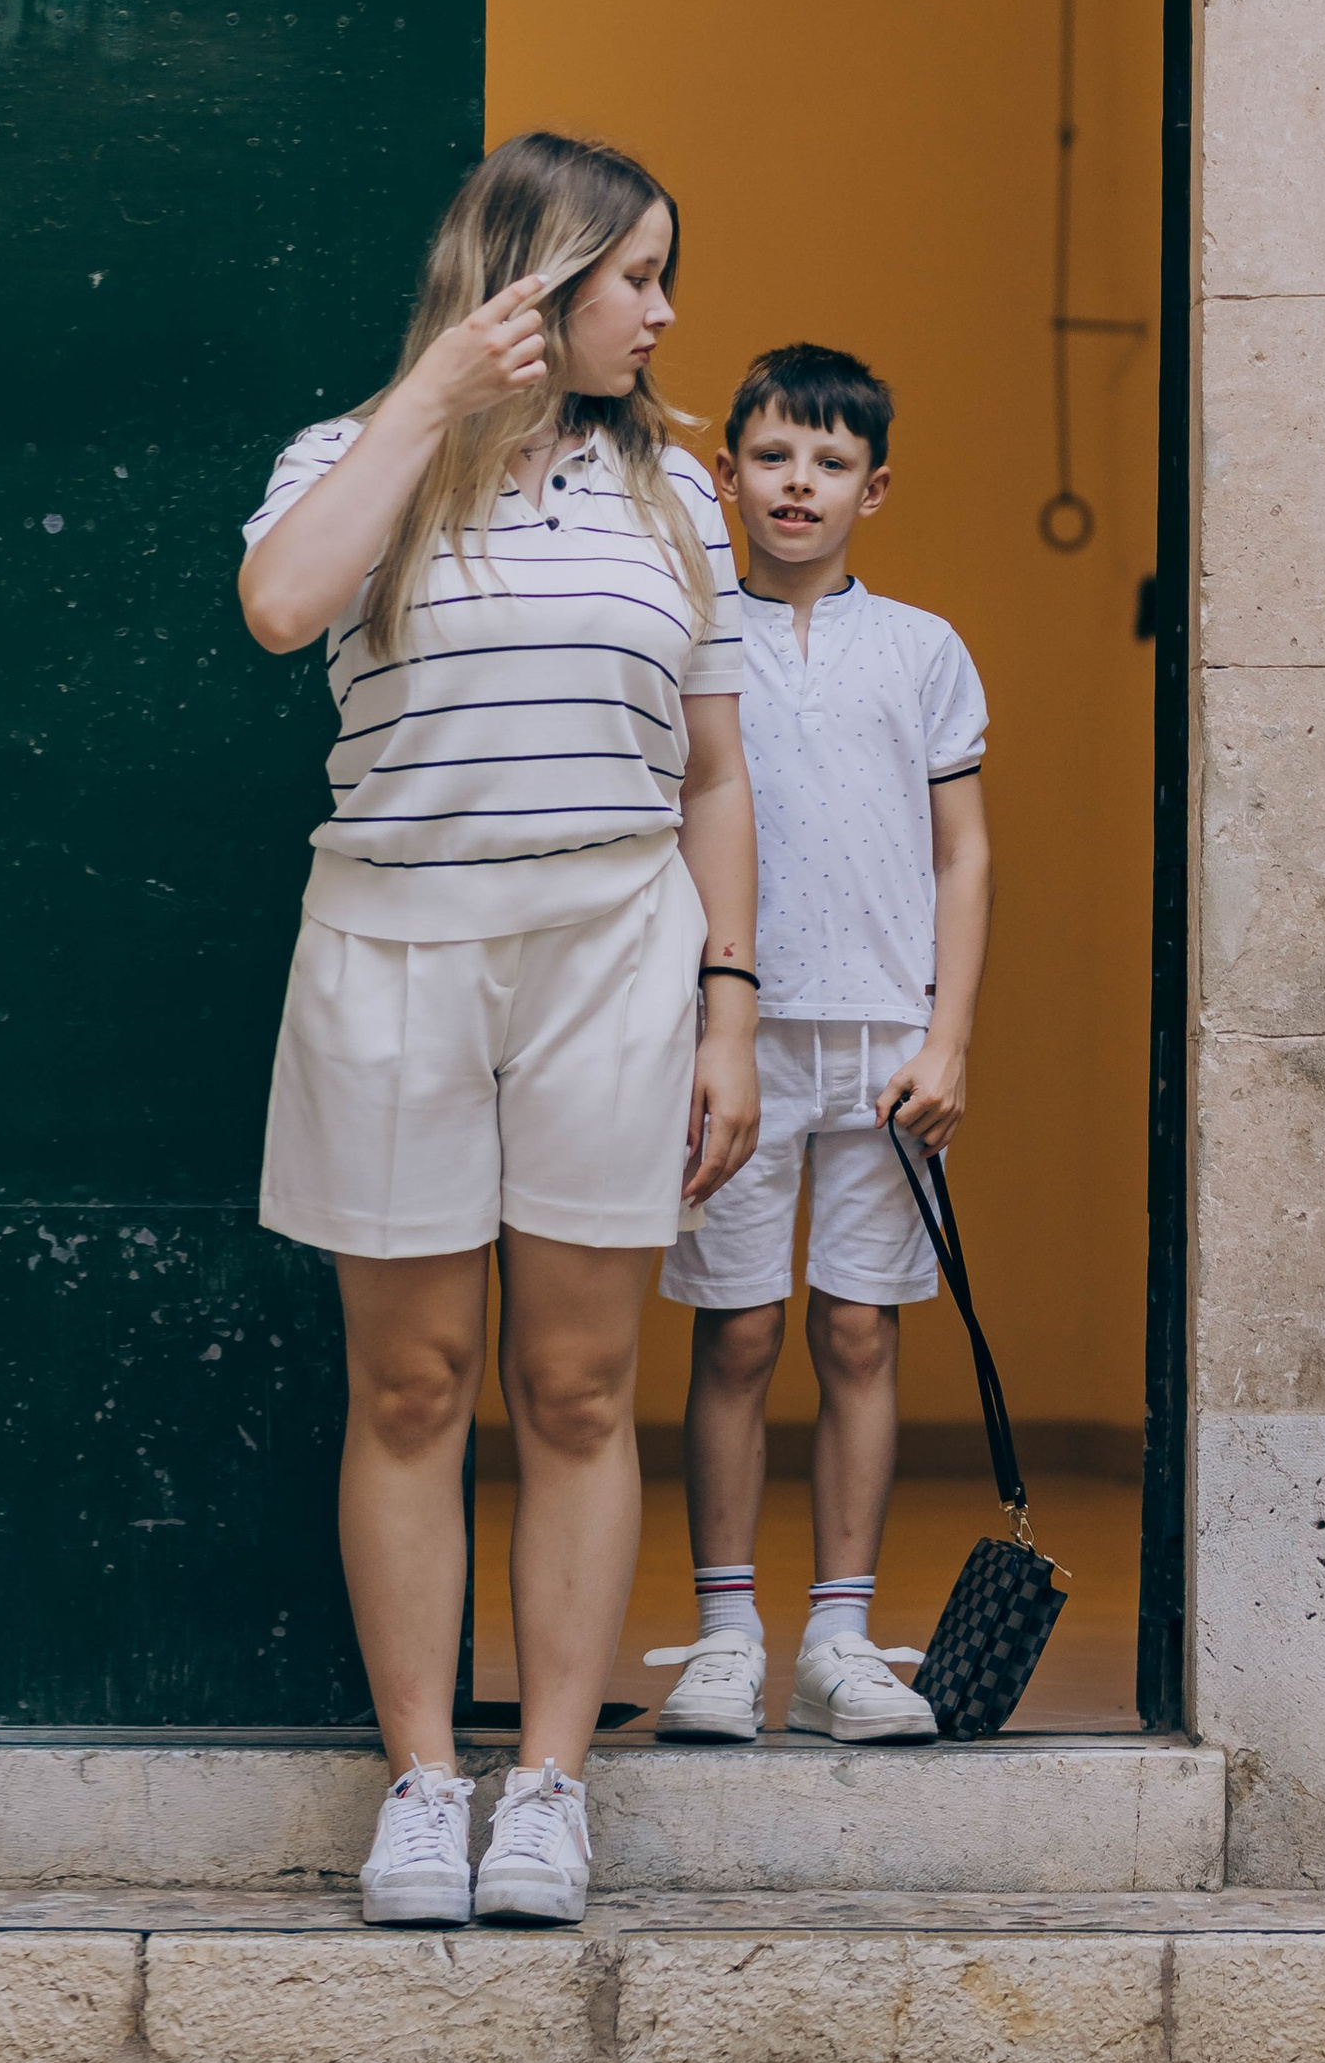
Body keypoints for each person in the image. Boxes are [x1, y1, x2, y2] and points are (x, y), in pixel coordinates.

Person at [238, 131, 761, 1927]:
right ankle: (419, 1787)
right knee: (412, 1384)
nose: (667, 313)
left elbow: (714, 775)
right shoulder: (344, 460)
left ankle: (548, 1784)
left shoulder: (675, 496)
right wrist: (430, 398)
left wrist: (731, 1011)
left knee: (579, 1383)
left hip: (616, 938)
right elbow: (281, 605)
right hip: (393, 938)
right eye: (638, 276)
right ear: (531, 285)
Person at [647, 342, 993, 1748]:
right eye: (775, 456)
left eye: (831, 462)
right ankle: (726, 1634)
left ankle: (840, 1637)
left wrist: (949, 1036)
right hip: (729, 1043)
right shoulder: (680, 627)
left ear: (876, 487)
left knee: (861, 1327)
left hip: (886, 1051)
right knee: (738, 1333)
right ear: (726, 471)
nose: (800, 484)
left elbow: (963, 858)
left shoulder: (922, 649)